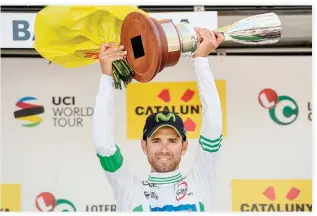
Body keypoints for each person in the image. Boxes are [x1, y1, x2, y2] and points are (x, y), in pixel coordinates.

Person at [93, 28, 224, 212]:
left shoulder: (201, 181)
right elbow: (103, 147)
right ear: (144, 146)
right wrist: (107, 77)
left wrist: (201, 60)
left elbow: (214, 125)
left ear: (184, 146)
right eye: (156, 140)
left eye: (172, 141)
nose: (164, 149)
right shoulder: (130, 190)